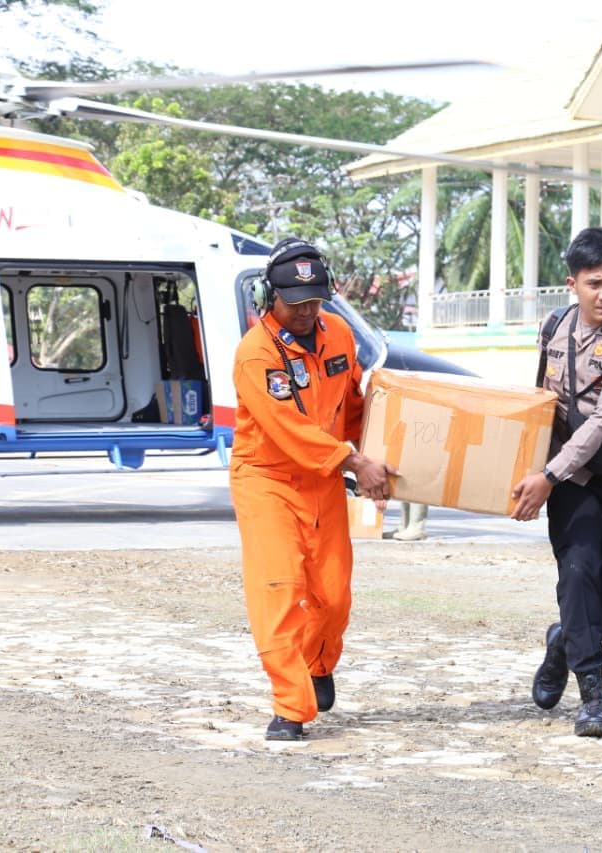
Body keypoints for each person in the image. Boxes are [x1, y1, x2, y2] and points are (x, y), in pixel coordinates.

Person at [229, 238, 395, 741]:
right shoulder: (255, 355)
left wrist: (381, 449)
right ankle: (289, 706)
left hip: (322, 477)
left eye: (314, 301)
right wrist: (353, 461)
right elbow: (288, 430)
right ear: (267, 297)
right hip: (267, 478)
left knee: (333, 594)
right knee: (279, 589)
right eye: (294, 303)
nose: (305, 312)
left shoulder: (340, 334)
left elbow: (351, 404)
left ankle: (318, 664)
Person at [510, 226, 602, 738]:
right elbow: (540, 403)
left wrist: (547, 475)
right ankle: (593, 696)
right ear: (571, 283)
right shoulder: (553, 326)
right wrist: (532, 467)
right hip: (569, 478)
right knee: (577, 574)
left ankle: (563, 646)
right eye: (595, 283)